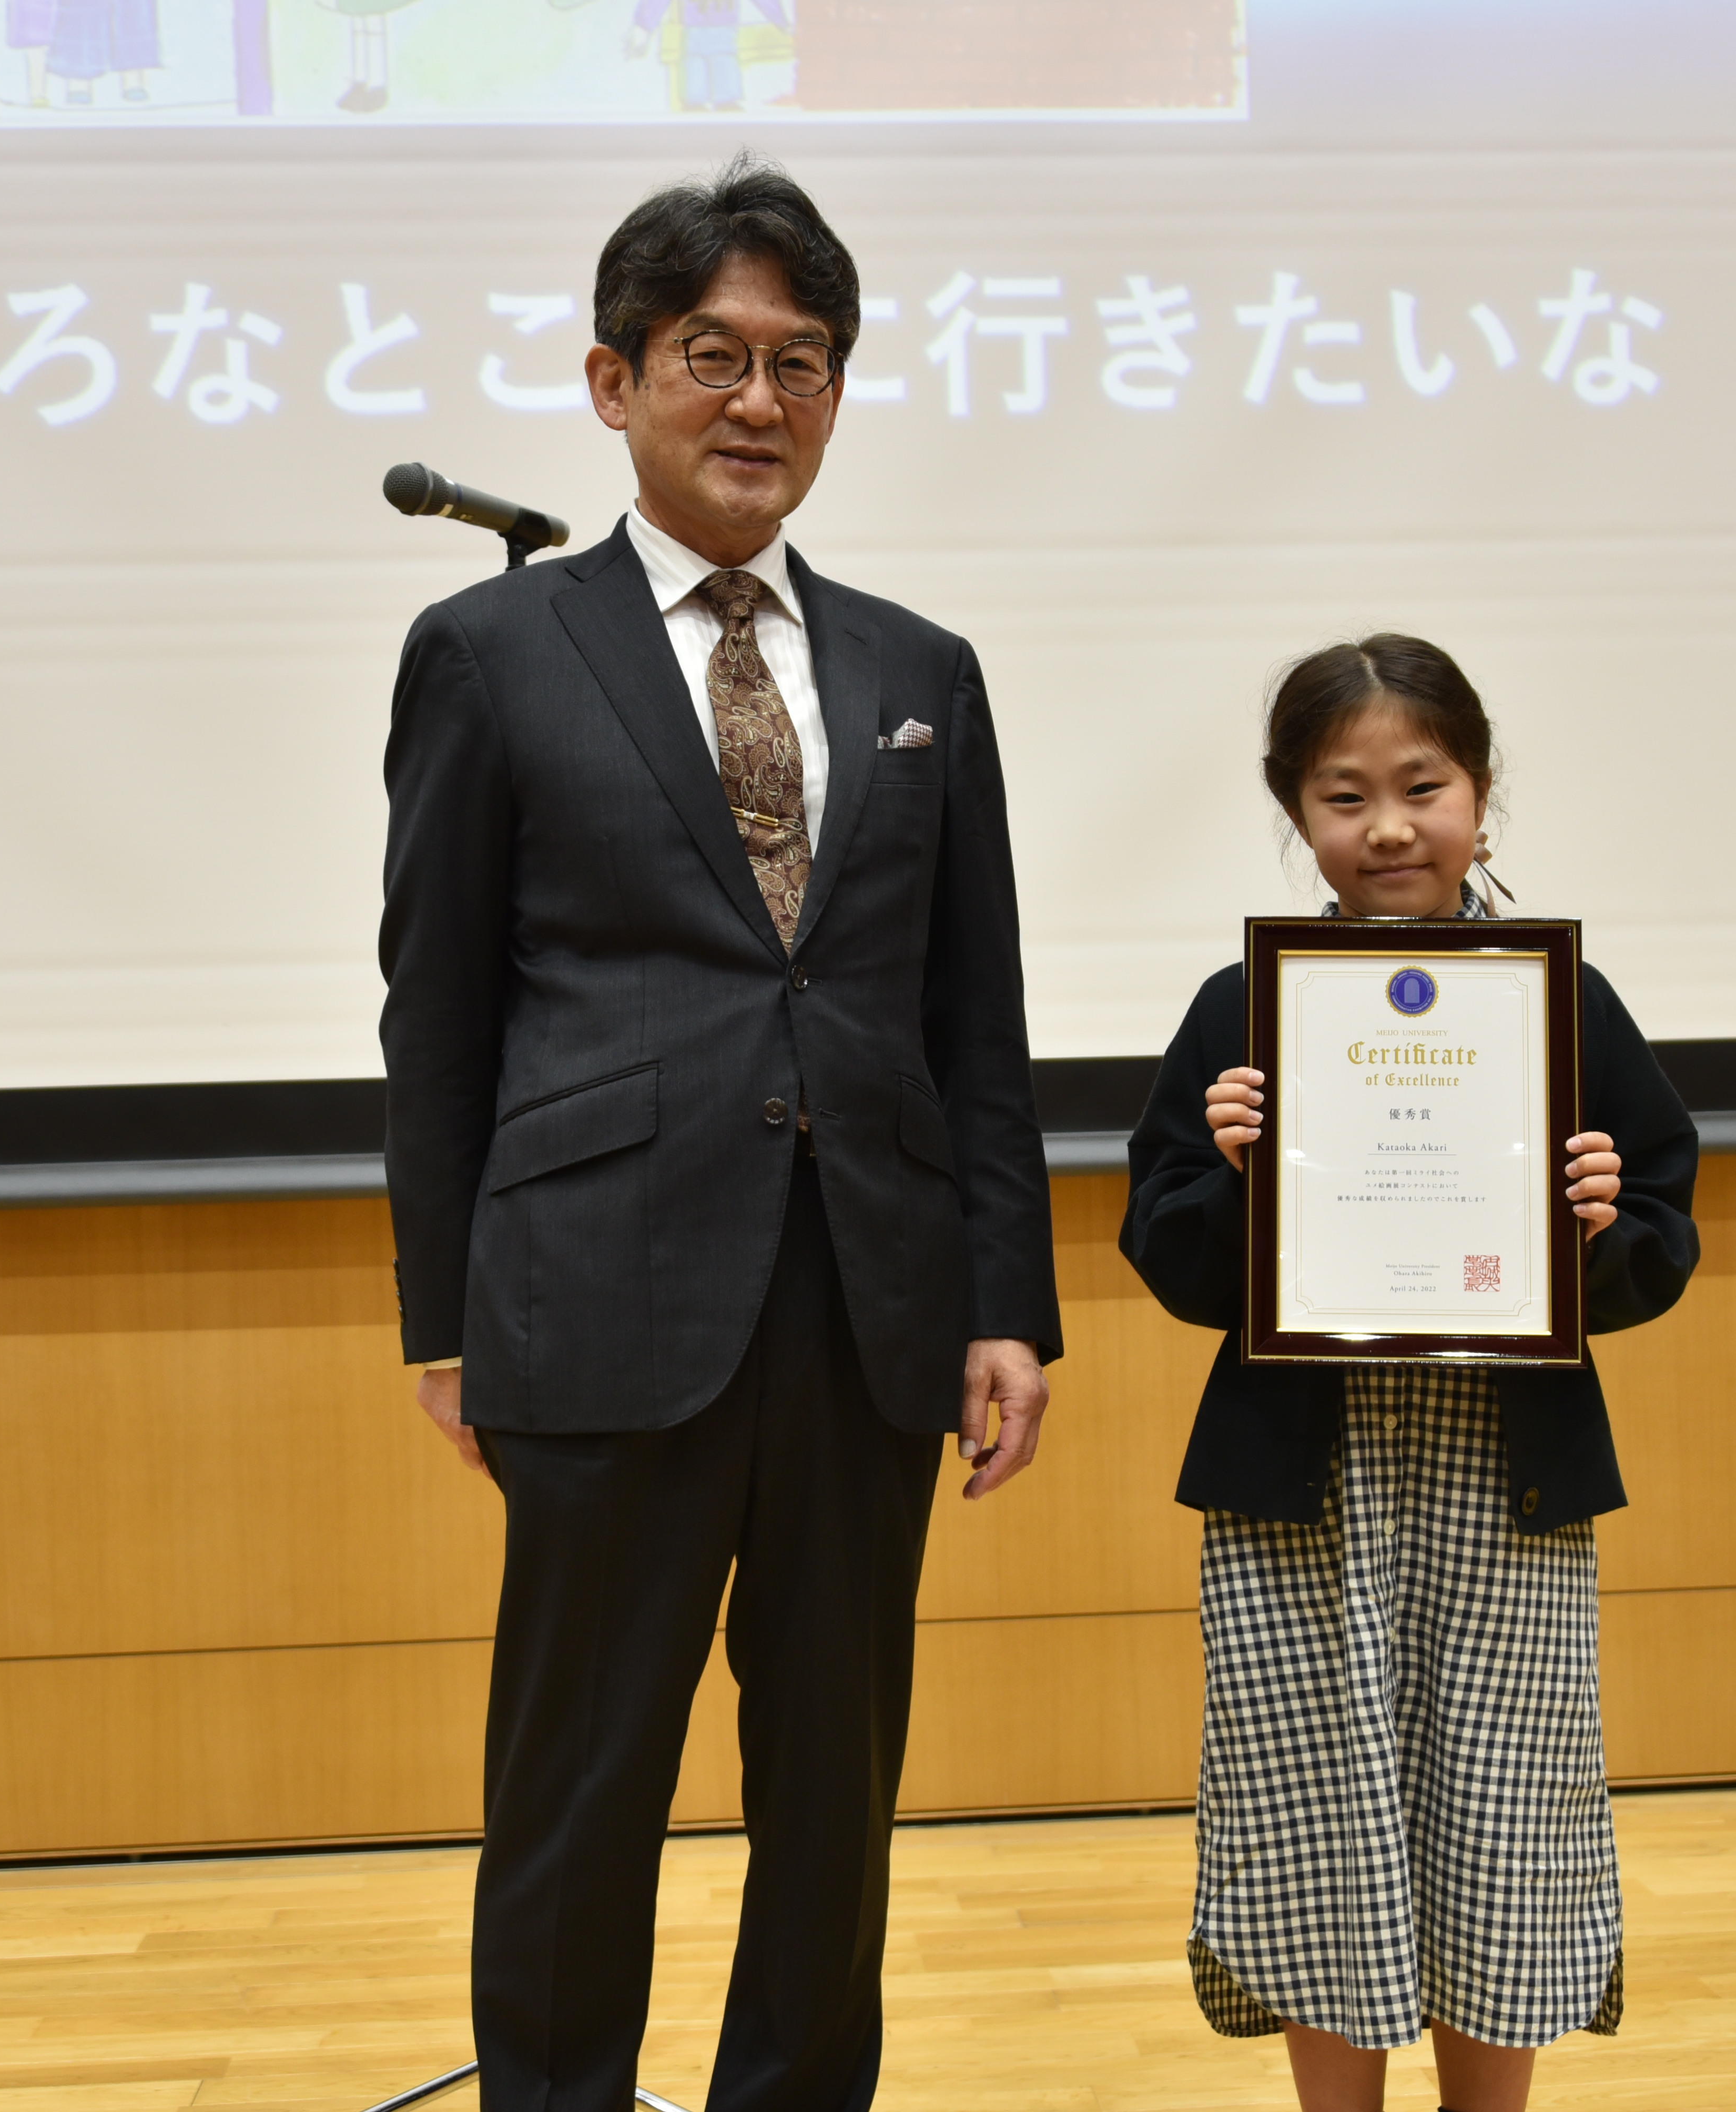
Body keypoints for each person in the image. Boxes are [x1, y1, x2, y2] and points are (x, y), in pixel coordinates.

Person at [378, 157, 1062, 2112]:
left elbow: (969, 1015)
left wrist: (1004, 1298)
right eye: (712, 358)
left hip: (868, 1305)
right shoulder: (498, 654)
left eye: (804, 362)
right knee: (583, 1776)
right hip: (596, 1296)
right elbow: (438, 1014)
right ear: (614, 384)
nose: (760, 401)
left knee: (836, 1787)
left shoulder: (921, 672)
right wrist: (447, 1313)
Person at [1118, 636, 1700, 2112]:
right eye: (1345, 795)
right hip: (1301, 1491)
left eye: (1422, 787)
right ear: (1295, 815)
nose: (1388, 828)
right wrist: (1240, 1173)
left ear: (1481, 794)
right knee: (1322, 1816)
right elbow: (1167, 1249)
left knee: (1502, 1815)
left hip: (1504, 1480)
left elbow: (1660, 1235)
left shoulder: (1564, 1002)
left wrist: (1597, 1221)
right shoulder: (1242, 1012)